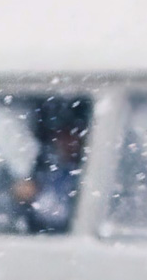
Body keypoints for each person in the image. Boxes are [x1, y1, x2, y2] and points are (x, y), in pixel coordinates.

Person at [11, 98, 89, 233]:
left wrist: (35, 196)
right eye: (61, 135)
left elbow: (62, 213)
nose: (66, 141)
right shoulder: (47, 167)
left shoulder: (84, 171)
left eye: (72, 135)